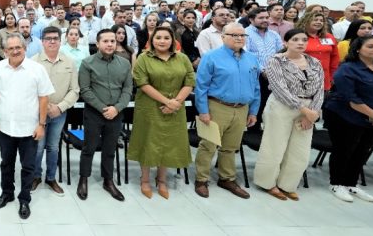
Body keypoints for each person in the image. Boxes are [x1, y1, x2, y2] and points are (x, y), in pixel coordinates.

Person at [324, 36, 373, 203]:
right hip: (346, 116)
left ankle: (351, 183)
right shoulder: (348, 68)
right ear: (358, 49)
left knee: (362, 150)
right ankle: (336, 183)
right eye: (371, 46)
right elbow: (351, 98)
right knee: (344, 150)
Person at [252, 29, 325, 200]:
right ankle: (267, 182)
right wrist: (304, 110)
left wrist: (312, 113)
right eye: (295, 39)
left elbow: (320, 89)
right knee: (274, 146)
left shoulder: (314, 62)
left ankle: (287, 184)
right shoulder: (276, 60)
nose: (300, 43)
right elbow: (279, 89)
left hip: (309, 108)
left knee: (300, 150)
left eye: (304, 40)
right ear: (286, 42)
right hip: (282, 106)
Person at [193, 24, 261, 199]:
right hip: (217, 107)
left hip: (241, 109)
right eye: (234, 35)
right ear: (223, 37)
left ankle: (227, 178)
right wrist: (203, 111)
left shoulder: (252, 59)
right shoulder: (211, 57)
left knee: (231, 147)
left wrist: (253, 111)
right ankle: (201, 179)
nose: (239, 38)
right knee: (208, 145)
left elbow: (255, 87)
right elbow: (201, 87)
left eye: (242, 35)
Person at [0, 33, 54, 220]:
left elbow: (44, 98)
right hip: (5, 126)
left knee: (28, 166)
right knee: (6, 164)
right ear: (5, 51)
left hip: (29, 128)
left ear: (25, 48)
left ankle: (24, 199)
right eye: (10, 48)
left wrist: (41, 124)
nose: (15, 51)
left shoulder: (37, 69)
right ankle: (7, 193)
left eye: (18, 47)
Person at [128, 26, 195, 199]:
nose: (162, 41)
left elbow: (190, 81)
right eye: (158, 38)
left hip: (175, 108)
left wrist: (176, 102)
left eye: (166, 37)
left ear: (173, 40)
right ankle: (144, 179)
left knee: (168, 142)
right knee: (147, 141)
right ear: (152, 40)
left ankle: (162, 179)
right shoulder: (144, 58)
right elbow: (142, 83)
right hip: (150, 108)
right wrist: (167, 102)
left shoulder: (182, 58)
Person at [78, 28, 134, 201]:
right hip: (94, 113)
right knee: (89, 148)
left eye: (112, 41)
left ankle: (108, 181)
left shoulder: (124, 64)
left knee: (110, 149)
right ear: (97, 44)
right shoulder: (87, 63)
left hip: (116, 113)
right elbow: (85, 90)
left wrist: (116, 108)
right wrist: (104, 108)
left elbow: (128, 89)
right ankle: (83, 178)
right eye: (106, 41)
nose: (110, 44)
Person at [30, 26, 79, 196]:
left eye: (55, 38)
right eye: (48, 39)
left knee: (53, 147)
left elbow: (75, 90)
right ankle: (36, 176)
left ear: (60, 41)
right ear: (42, 41)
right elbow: (29, 89)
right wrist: (44, 106)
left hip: (59, 113)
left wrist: (60, 107)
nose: (52, 41)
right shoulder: (33, 62)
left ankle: (51, 178)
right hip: (38, 113)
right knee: (38, 147)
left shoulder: (69, 62)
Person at [297, 10, 340, 91]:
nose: (319, 22)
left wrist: (333, 75)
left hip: (324, 78)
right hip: (302, 78)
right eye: (315, 20)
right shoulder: (298, 36)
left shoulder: (329, 37)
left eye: (321, 20)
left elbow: (335, 57)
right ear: (306, 21)